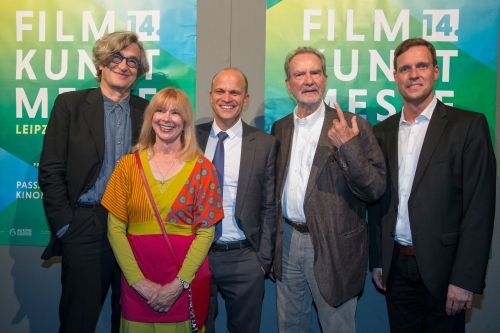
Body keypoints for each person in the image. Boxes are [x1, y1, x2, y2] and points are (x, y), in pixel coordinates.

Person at [368, 38, 496, 333]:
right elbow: (377, 204)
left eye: (421, 66)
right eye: (405, 68)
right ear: (395, 76)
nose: (413, 74)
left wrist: (465, 279)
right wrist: (378, 260)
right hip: (396, 269)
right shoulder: (381, 132)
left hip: (446, 271)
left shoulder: (468, 126)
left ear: (435, 71)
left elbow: (480, 208)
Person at [39, 31, 150, 333]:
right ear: (101, 62)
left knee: (131, 320)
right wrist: (66, 226)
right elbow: (50, 170)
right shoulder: (70, 105)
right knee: (78, 321)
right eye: (117, 57)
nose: (124, 65)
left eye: (132, 61)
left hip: (135, 228)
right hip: (85, 226)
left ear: (139, 72)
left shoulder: (148, 113)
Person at [271, 46, 386, 332]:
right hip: (287, 242)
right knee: (290, 326)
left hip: (335, 244)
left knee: (338, 327)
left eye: (315, 72)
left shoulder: (354, 125)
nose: (308, 80)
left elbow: (374, 189)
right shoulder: (280, 128)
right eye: (299, 74)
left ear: (325, 79)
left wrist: (347, 146)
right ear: (288, 85)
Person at [101, 87, 224, 332]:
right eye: (159, 111)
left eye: (175, 113)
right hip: (137, 286)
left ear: (185, 121)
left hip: (184, 284)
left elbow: (206, 233)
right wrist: (138, 282)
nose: (166, 118)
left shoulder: (203, 169)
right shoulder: (127, 166)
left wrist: (178, 284)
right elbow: (115, 229)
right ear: (150, 118)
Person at [196, 68, 277, 333]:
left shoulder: (264, 144)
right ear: (210, 96)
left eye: (235, 92)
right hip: (197, 256)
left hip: (245, 258)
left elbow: (269, 205)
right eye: (220, 91)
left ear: (246, 99)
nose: (227, 97)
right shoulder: (190, 139)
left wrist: (262, 261)